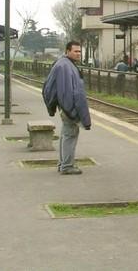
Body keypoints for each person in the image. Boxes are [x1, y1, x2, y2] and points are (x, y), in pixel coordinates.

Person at [42, 41, 91, 175]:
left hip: (65, 107)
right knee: (70, 135)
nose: (78, 54)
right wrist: (72, 111)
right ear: (67, 51)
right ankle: (67, 166)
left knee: (66, 135)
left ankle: (63, 163)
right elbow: (67, 92)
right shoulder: (65, 66)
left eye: (80, 51)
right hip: (68, 108)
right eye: (75, 51)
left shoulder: (65, 64)